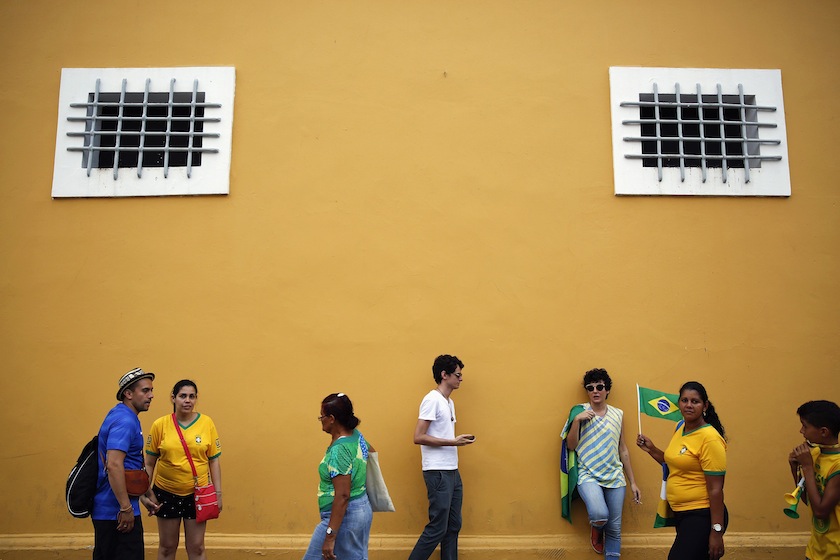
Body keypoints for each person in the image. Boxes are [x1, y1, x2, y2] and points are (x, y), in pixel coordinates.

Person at [636, 381, 728, 560]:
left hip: (702, 515)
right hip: (682, 515)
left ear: (705, 406)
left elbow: (716, 489)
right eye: (684, 400)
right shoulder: (680, 428)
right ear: (679, 403)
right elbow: (675, 463)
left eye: (695, 401)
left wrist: (717, 531)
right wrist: (652, 449)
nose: (689, 405)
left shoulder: (710, 438)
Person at [561, 368, 641, 556]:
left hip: (615, 477)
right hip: (588, 475)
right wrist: (576, 422)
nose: (595, 391)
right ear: (587, 391)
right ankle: (596, 528)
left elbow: (623, 448)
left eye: (599, 386)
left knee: (614, 531)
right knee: (599, 515)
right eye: (590, 387)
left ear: (607, 390)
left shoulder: (618, 414)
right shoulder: (579, 412)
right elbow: (571, 446)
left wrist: (633, 482)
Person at [144, 380, 223, 560]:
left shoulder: (206, 423)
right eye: (182, 396)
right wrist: (145, 493)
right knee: (167, 547)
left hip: (198, 494)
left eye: (191, 396)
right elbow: (149, 463)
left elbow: (214, 461)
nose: (187, 400)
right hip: (165, 493)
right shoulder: (160, 425)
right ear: (173, 398)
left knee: (196, 548)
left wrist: (217, 494)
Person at [408, 354, 476, 560]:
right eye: (457, 374)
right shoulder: (432, 400)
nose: (461, 378)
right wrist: (453, 442)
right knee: (438, 527)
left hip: (452, 470)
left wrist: (454, 441)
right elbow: (418, 437)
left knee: (453, 525)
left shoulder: (449, 402)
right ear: (444, 375)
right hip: (437, 471)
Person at [92, 367, 158, 560]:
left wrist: (142, 498)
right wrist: (126, 508)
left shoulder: (123, 415)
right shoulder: (124, 421)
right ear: (128, 394)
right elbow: (114, 465)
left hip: (117, 510)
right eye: (145, 390)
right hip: (117, 515)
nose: (151, 395)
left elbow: (127, 465)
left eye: (151, 390)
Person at [302, 392, 373, 560]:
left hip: (342, 517)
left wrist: (330, 536)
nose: (321, 419)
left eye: (322, 416)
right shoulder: (356, 436)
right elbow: (371, 452)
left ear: (332, 418)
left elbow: (342, 495)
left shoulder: (339, 450)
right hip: (360, 510)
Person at [788, 400, 840, 560]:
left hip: (834, 552)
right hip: (815, 550)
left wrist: (807, 467)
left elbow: (820, 511)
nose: (801, 431)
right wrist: (794, 468)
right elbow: (808, 500)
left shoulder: (837, 466)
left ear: (824, 432)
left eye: (805, 426)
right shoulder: (816, 454)